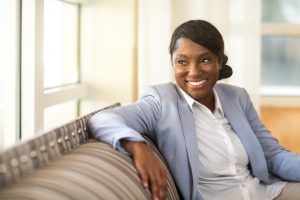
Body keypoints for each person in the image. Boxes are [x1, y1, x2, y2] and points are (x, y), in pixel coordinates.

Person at [88, 20, 300, 200]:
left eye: (205, 60)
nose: (193, 71)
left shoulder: (237, 97)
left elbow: (272, 155)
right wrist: (137, 146)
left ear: (219, 61)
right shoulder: (161, 101)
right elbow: (102, 119)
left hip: (265, 193)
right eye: (182, 62)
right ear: (173, 63)